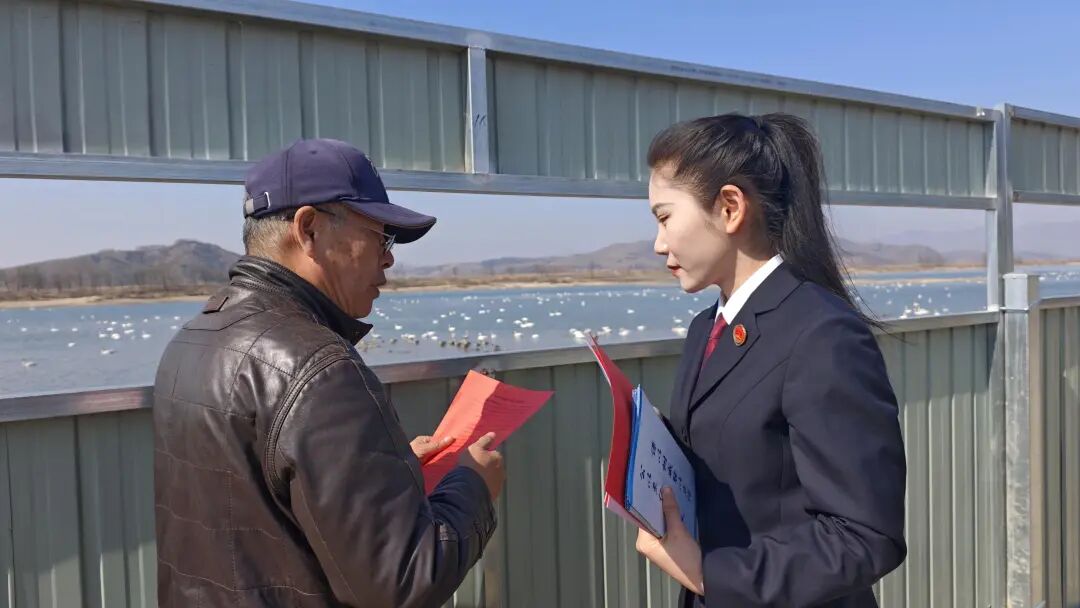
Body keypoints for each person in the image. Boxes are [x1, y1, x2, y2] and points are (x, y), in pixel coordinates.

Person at [153, 138, 504, 608]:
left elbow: (255, 507)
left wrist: (385, 474)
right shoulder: (320, 368)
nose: (389, 258)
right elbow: (403, 582)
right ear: (309, 229)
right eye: (381, 236)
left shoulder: (194, 338)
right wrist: (473, 487)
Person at [634, 113, 907, 607]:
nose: (658, 243)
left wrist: (710, 573)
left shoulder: (823, 334)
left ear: (730, 207)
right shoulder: (706, 328)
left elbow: (865, 536)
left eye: (664, 217)